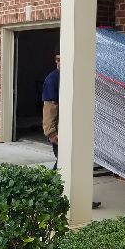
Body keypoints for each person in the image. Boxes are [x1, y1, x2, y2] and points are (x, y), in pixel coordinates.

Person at [42, 49, 101, 209]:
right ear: (56, 60)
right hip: (62, 132)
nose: (61, 62)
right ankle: (48, 196)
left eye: (65, 59)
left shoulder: (76, 76)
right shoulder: (53, 79)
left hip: (78, 130)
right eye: (59, 59)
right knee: (63, 164)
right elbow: (49, 107)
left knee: (78, 165)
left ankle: (79, 199)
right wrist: (52, 133)